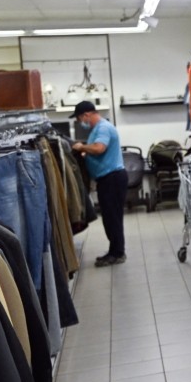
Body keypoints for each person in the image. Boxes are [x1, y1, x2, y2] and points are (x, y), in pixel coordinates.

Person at [71, 101, 127, 267]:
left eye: (80, 118)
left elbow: (99, 148)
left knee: (112, 218)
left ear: (86, 115)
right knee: (110, 218)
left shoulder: (103, 128)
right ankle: (114, 251)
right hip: (108, 179)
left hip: (112, 178)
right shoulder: (98, 129)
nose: (80, 122)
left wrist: (82, 147)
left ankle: (117, 253)